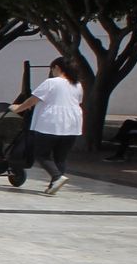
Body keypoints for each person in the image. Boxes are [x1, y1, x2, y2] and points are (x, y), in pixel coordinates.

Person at [10, 56, 84, 195]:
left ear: (57, 68)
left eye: (52, 69)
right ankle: (54, 184)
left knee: (41, 154)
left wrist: (18, 108)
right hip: (72, 124)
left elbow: (33, 100)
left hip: (51, 123)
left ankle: (56, 176)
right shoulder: (77, 84)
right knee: (60, 156)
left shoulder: (51, 82)